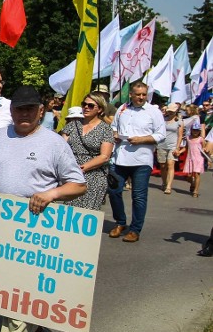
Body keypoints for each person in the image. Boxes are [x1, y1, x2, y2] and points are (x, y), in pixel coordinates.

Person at [0, 85, 87, 332]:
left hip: (35, 233)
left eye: (30, 109)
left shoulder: (54, 143)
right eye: (19, 109)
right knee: (0, 287)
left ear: (41, 111)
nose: (24, 114)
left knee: (17, 298)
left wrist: (52, 193)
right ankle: (36, 325)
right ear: (11, 111)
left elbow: (78, 184)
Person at [107, 81, 166, 243]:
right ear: (131, 94)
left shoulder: (153, 111)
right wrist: (115, 134)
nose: (141, 97)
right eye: (137, 94)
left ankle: (135, 229)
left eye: (143, 94)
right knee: (113, 191)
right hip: (120, 157)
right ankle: (120, 223)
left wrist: (142, 139)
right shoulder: (123, 109)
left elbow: (161, 134)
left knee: (138, 196)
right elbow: (113, 127)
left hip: (141, 159)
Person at [61, 95, 115, 209]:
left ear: (99, 109)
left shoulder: (106, 129)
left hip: (94, 176)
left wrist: (82, 168)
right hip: (71, 174)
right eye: (84, 104)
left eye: (90, 105)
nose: (86, 107)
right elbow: (61, 148)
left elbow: (104, 156)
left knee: (87, 213)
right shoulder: (72, 125)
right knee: (68, 211)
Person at [158, 103, 183, 194]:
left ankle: (169, 186)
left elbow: (180, 136)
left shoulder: (179, 121)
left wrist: (177, 147)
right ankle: (164, 182)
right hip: (162, 144)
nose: (170, 113)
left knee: (170, 164)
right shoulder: (163, 120)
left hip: (172, 145)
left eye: (172, 111)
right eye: (169, 111)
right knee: (162, 165)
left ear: (176, 111)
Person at [176, 122, 204, 198]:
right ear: (191, 130)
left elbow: (204, 148)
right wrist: (180, 152)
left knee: (197, 175)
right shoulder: (188, 138)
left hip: (198, 159)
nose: (195, 132)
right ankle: (193, 183)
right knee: (188, 176)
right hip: (190, 158)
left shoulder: (201, 139)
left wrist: (206, 150)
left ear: (199, 131)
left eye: (197, 130)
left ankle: (196, 191)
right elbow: (186, 148)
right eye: (194, 130)